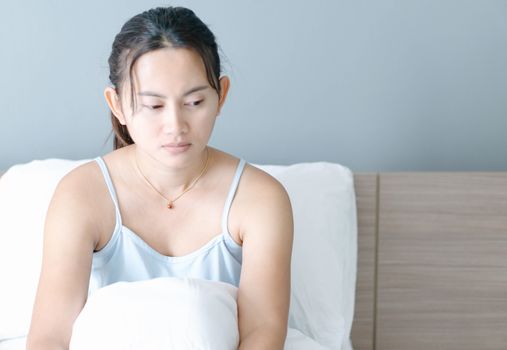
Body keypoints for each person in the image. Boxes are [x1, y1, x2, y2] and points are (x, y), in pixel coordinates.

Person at [26, 6, 294, 350]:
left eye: (195, 101)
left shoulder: (259, 199)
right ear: (117, 104)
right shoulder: (82, 194)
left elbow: (263, 332)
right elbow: (51, 336)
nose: (176, 126)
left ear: (221, 95)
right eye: (154, 106)